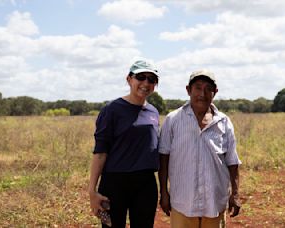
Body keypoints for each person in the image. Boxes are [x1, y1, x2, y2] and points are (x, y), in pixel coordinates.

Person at [158, 69, 242, 228]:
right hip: (183, 202)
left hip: (214, 203)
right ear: (188, 90)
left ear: (215, 92)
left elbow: (232, 161)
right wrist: (163, 193)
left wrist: (235, 194)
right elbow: (164, 159)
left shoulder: (224, 122)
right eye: (197, 87)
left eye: (208, 88)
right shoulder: (173, 120)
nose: (202, 94)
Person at [89, 60, 160, 228]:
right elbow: (100, 152)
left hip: (145, 183)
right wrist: (92, 191)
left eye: (152, 80)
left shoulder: (153, 112)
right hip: (115, 182)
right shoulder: (112, 109)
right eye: (141, 77)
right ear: (129, 79)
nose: (146, 83)